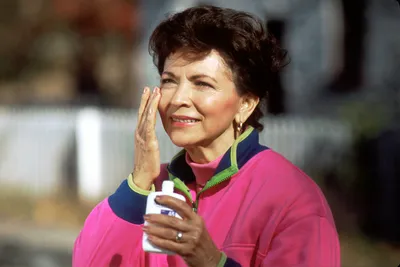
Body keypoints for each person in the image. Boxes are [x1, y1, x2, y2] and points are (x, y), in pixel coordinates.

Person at [73, 5, 340, 267]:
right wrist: (140, 181)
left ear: (246, 103)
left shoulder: (291, 198)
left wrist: (212, 262)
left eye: (202, 84)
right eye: (169, 81)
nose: (178, 99)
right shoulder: (151, 188)